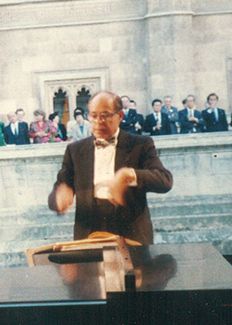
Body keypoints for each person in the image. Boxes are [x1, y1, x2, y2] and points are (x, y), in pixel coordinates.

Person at [47, 92, 173, 245]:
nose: (98, 122)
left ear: (120, 115)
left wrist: (130, 175)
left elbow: (165, 181)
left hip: (131, 234)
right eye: (93, 116)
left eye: (105, 115)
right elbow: (57, 192)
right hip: (89, 234)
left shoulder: (140, 144)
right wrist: (58, 199)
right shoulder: (75, 150)